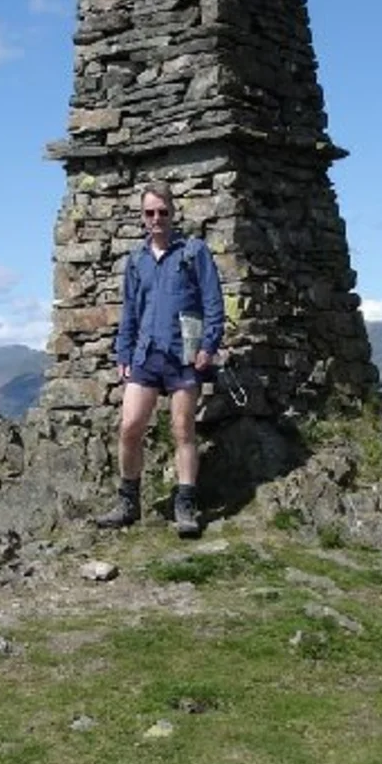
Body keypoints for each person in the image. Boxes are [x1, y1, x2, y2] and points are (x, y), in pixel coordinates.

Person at [95, 183, 225, 538]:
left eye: (162, 212)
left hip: (184, 356)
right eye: (150, 212)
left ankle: (185, 505)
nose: (156, 219)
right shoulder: (136, 261)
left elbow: (214, 304)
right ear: (142, 217)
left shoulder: (194, 252)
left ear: (172, 213)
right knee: (129, 427)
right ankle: (128, 502)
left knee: (183, 429)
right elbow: (130, 312)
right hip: (145, 356)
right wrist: (123, 352)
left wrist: (208, 346)